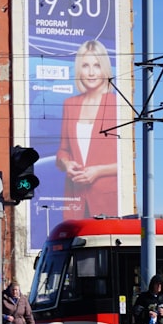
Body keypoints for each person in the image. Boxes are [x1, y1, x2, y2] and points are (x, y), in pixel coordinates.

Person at [55, 39, 120, 220]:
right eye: (85, 65)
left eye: (97, 65)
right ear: (79, 69)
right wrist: (67, 164)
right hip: (75, 198)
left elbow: (126, 159)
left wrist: (98, 171)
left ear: (105, 69)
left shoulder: (117, 104)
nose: (91, 72)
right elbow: (63, 150)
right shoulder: (70, 104)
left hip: (107, 199)